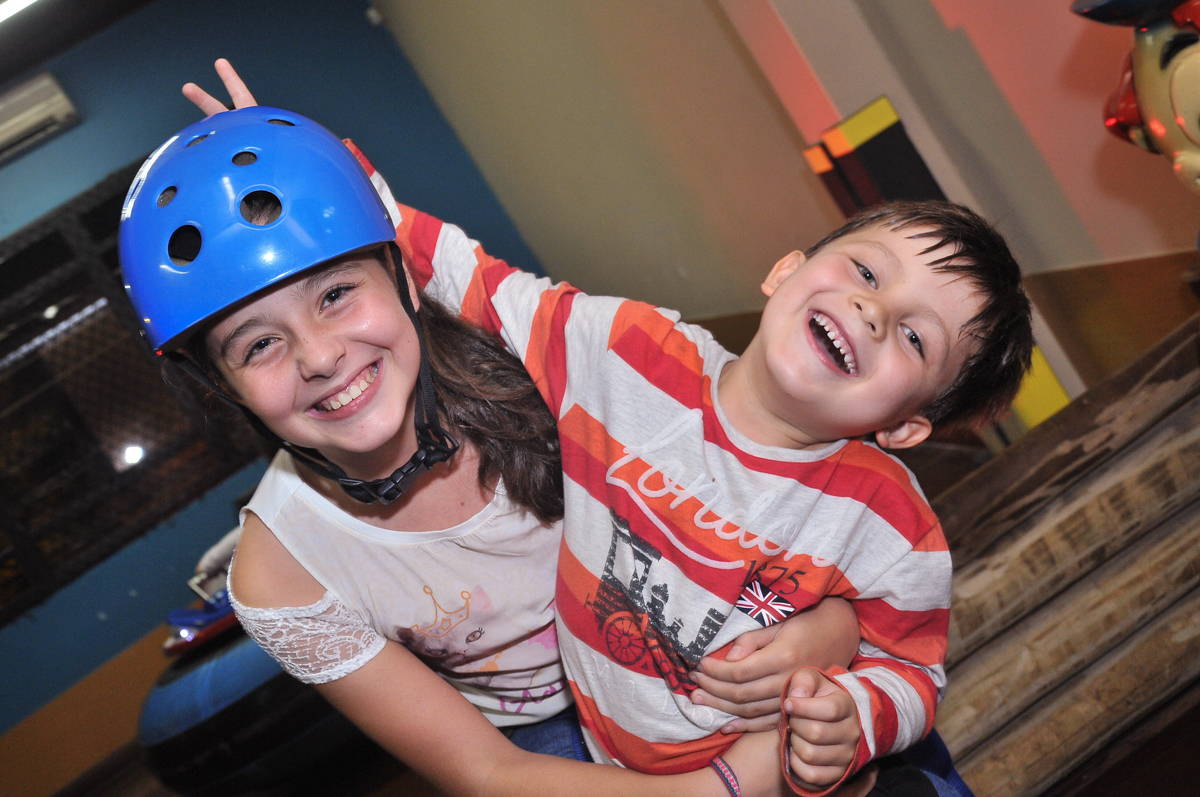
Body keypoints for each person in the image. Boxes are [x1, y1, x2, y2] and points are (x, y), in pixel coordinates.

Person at [179, 61, 1032, 797]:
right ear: (786, 269)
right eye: (864, 271)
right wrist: (310, 186)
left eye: (915, 336)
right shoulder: (622, 356)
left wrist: (848, 696)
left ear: (913, 425)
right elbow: (465, 267)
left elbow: (911, 660)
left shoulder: (889, 520)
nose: (872, 311)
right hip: (604, 743)